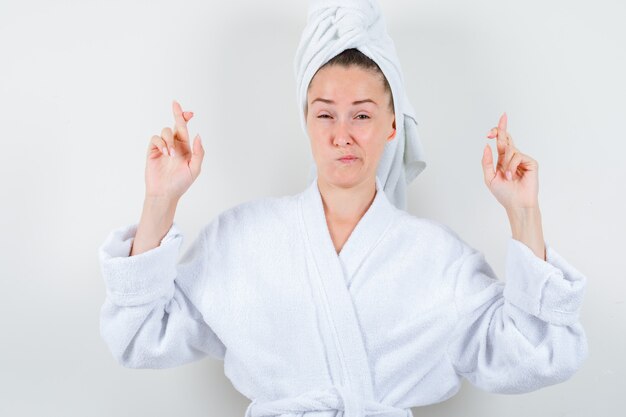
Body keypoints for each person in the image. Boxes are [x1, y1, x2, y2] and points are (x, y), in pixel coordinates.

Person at [98, 2, 588, 417]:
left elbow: (540, 354)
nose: (342, 134)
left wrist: (524, 214)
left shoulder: (440, 260)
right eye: (325, 113)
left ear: (393, 126)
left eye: (362, 115)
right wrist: (161, 200)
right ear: (307, 120)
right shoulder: (239, 239)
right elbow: (138, 335)